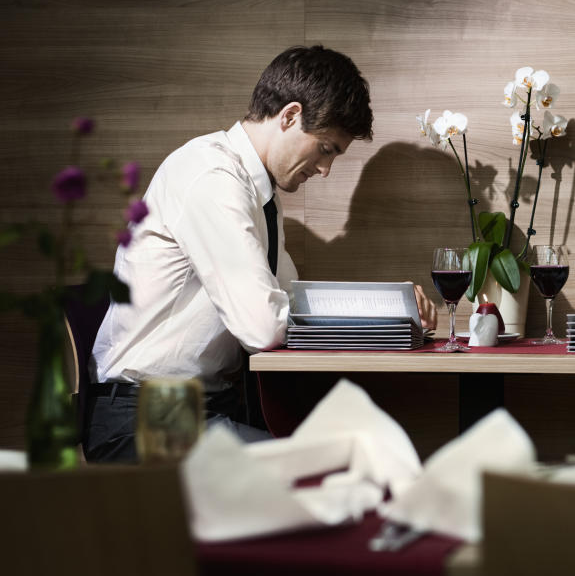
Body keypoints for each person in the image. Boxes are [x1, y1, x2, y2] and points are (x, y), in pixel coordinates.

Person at [85, 45, 438, 462]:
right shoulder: (211, 177)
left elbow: (292, 302)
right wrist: (376, 317)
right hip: (145, 418)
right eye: (326, 148)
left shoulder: (261, 195)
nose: (325, 169)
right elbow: (262, 327)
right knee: (332, 473)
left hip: (205, 410)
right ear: (289, 116)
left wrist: (392, 308)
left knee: (357, 456)